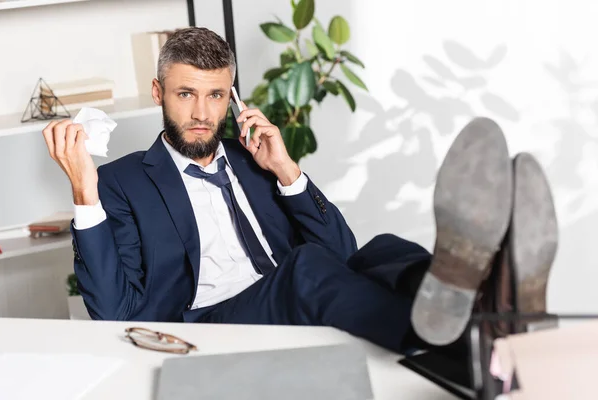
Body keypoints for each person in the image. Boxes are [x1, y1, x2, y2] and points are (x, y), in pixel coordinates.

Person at [41, 27, 557, 353]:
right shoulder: (121, 182)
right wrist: (85, 193)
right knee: (305, 270)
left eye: (216, 95)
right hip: (212, 324)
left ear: (232, 98)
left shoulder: (252, 159)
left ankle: (486, 299)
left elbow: (344, 253)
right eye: (186, 95)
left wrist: (287, 171)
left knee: (385, 251)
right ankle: (465, 336)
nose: (202, 113)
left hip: (287, 293)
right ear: (159, 93)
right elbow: (114, 313)